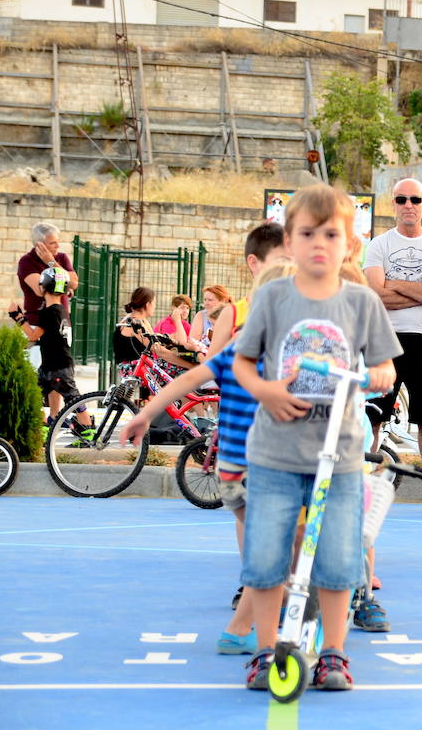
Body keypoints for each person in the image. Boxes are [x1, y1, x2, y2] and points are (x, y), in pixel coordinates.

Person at [232, 185, 400, 692]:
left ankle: (333, 653)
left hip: (340, 455)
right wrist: (267, 391)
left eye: (332, 234)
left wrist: (377, 377)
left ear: (351, 244)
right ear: (290, 239)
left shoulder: (361, 301)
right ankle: (265, 652)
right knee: (264, 558)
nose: (319, 244)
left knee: (336, 559)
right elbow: (242, 361)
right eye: (307, 234)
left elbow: (386, 365)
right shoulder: (273, 296)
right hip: (276, 455)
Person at [120, 258, 299, 656]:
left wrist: (147, 414)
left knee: (271, 550)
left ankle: (246, 625)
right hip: (259, 468)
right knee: (279, 552)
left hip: (231, 472)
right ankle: (254, 626)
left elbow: (188, 379)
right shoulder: (285, 357)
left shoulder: (239, 349)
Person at [364, 178, 422, 508]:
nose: (408, 205)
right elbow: (375, 296)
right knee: (373, 417)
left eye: (415, 199)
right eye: (401, 199)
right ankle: (363, 486)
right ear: (393, 204)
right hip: (383, 340)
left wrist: (394, 284)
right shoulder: (378, 245)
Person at [8, 267, 92, 433]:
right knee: (43, 392)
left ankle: (88, 430)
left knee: (72, 399)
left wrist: (17, 317)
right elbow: (48, 336)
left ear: (42, 288)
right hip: (53, 365)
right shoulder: (61, 311)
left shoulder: (48, 313)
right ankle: (49, 424)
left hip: (57, 366)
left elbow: (33, 335)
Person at [205, 223, 287, 362]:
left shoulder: (302, 308)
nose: (288, 269)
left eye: (293, 262)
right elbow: (209, 370)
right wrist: (233, 344)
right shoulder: (232, 314)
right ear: (253, 263)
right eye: (281, 261)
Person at [17, 222, 78, 326]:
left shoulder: (62, 258)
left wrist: (51, 263)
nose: (58, 246)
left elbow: (74, 283)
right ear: (39, 245)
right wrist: (66, 289)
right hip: (37, 322)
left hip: (62, 321)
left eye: (57, 242)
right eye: (52, 243)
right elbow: (42, 290)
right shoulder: (27, 261)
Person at [189, 285, 232, 352]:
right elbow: (193, 341)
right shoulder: (201, 315)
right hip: (203, 352)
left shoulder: (230, 316)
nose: (206, 303)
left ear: (223, 301)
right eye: (205, 300)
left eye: (210, 300)